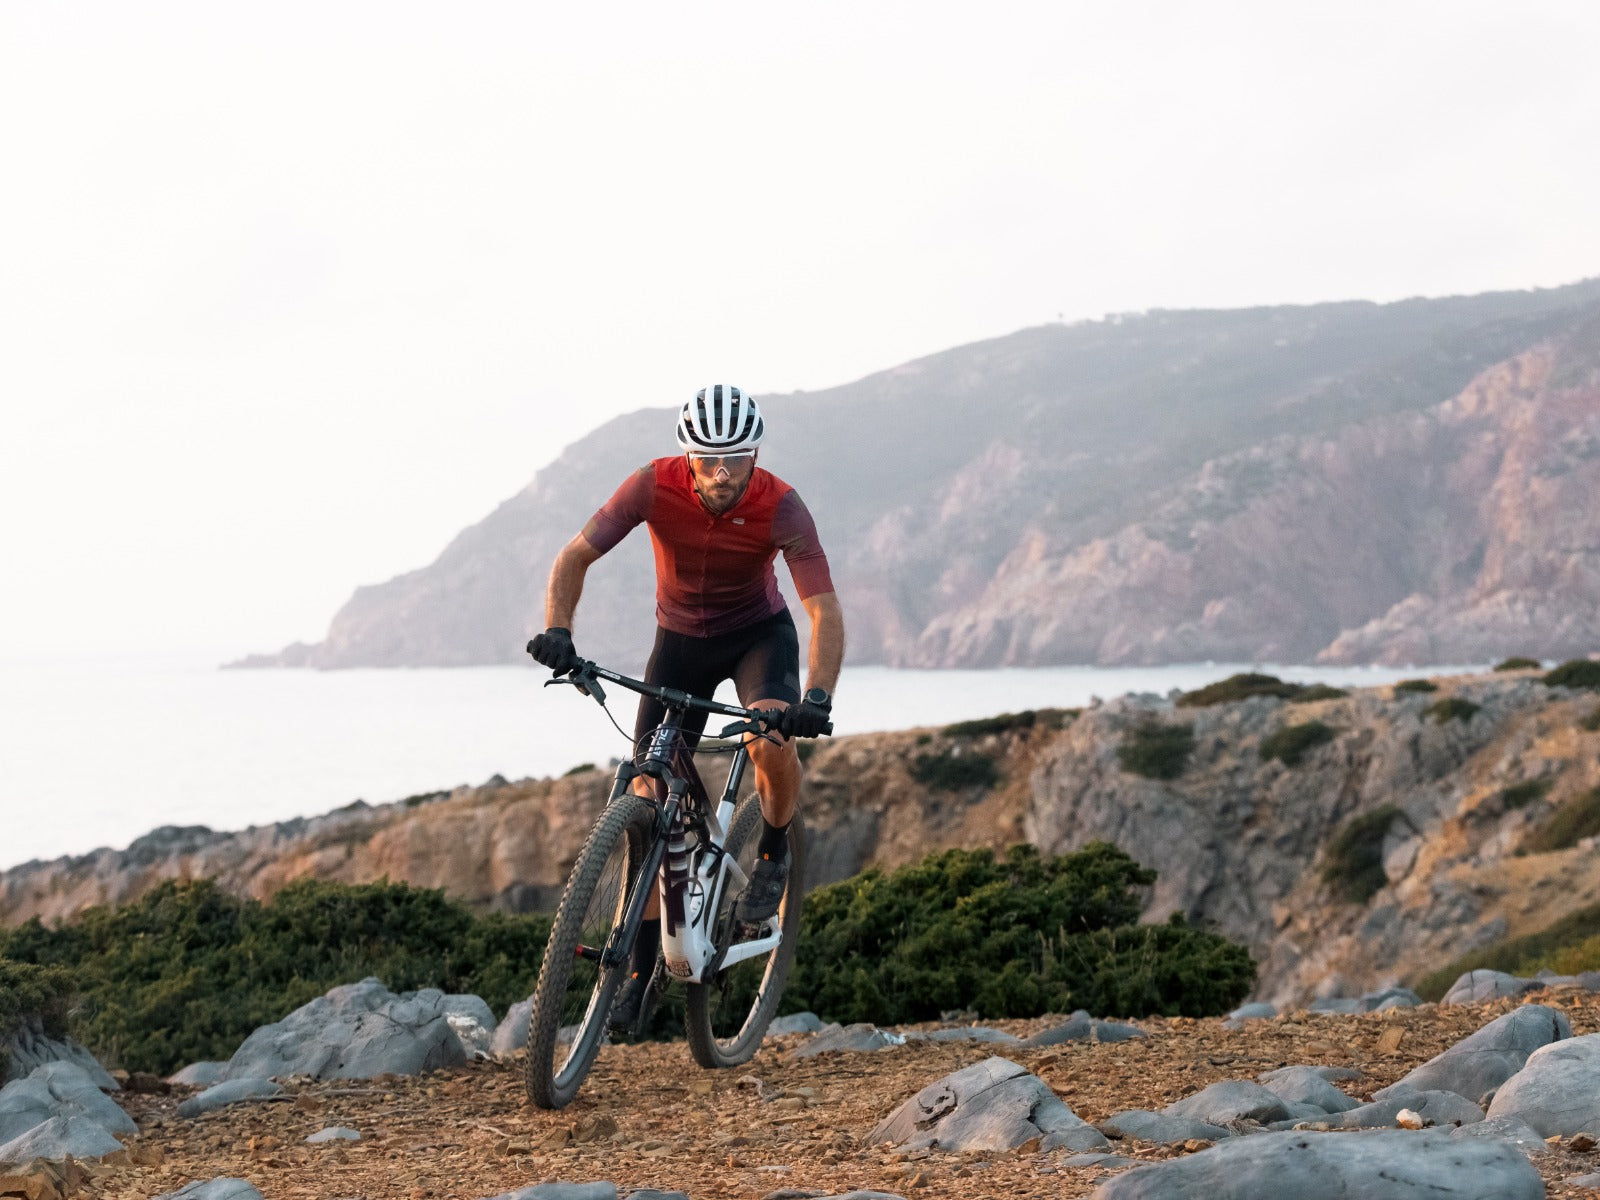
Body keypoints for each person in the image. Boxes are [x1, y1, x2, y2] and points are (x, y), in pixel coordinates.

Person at [528, 384, 845, 1030]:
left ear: (754, 454)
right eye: (708, 458)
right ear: (688, 456)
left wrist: (816, 696)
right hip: (679, 642)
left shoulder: (783, 506)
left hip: (758, 638)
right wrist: (559, 630)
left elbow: (822, 609)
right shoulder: (651, 486)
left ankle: (775, 848)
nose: (722, 472)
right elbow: (575, 556)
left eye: (736, 458)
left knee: (766, 741)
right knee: (647, 791)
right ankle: (636, 979)